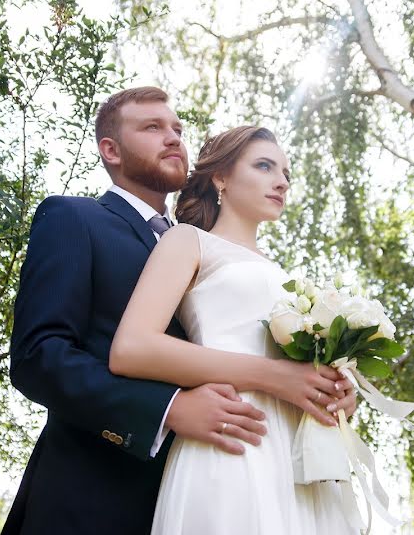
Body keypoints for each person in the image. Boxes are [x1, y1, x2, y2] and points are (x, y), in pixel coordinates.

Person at [3, 87, 354, 534]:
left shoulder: (210, 246)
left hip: (221, 478)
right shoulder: (74, 219)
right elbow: (39, 356)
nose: (173, 138)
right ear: (110, 149)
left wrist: (325, 389)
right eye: (152, 127)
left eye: (178, 129)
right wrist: (165, 409)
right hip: (93, 495)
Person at [110, 126, 359, 534]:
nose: (281, 182)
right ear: (220, 177)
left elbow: (300, 375)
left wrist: (335, 393)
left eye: (286, 174)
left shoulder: (288, 279)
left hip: (299, 460)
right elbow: (132, 348)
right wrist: (276, 376)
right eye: (264, 166)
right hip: (233, 434)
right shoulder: (188, 242)